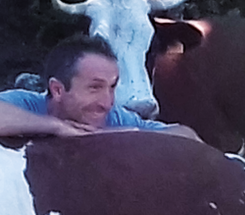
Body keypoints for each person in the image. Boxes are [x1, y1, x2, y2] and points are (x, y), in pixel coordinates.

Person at [0, 35, 200, 140]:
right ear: (57, 90)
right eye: (95, 88)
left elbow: (188, 137)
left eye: (112, 87)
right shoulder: (27, 104)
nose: (107, 102)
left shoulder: (115, 118)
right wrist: (57, 127)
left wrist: (123, 134)